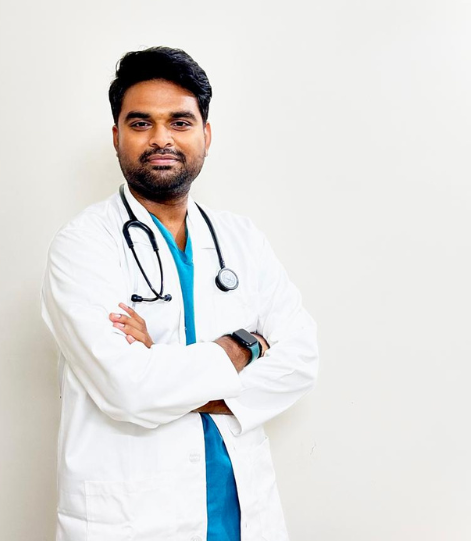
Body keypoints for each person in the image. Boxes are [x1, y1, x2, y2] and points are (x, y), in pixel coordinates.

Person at [41, 46, 319, 541]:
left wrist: (161, 365)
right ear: (116, 136)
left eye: (180, 122)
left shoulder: (242, 239)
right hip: (132, 521)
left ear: (206, 135)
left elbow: (300, 360)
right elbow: (128, 389)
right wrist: (242, 348)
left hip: (242, 516)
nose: (161, 138)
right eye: (140, 123)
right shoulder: (83, 245)